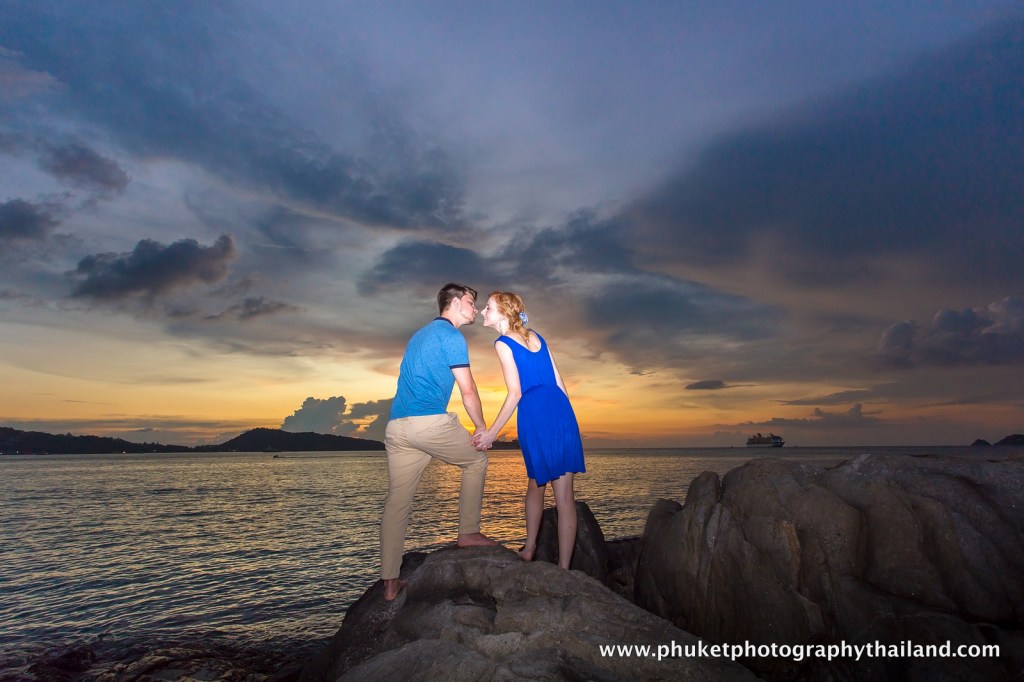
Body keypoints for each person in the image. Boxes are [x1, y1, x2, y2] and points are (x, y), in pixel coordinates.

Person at [380, 283, 497, 601]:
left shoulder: (418, 335)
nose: (475, 309)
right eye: (472, 303)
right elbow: (468, 390)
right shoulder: (452, 336)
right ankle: (468, 532)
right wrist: (482, 427)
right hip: (427, 423)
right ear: (456, 303)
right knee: (476, 461)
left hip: (396, 427)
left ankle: (390, 583)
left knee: (397, 502)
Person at [473, 291, 586, 569]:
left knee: (538, 482)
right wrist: (567, 422)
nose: (482, 311)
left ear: (502, 312)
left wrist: (491, 434)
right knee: (558, 495)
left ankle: (531, 549)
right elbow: (560, 383)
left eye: (488, 307)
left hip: (536, 415)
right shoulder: (537, 337)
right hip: (561, 413)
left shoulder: (502, 343)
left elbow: (514, 393)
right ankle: (560, 567)